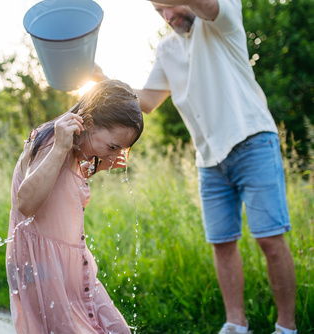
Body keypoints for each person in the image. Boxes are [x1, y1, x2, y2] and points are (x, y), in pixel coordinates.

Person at [94, 0, 297, 333]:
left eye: (170, 7)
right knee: (222, 243)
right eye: (159, 12)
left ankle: (287, 327)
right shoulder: (167, 50)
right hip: (209, 159)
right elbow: (146, 101)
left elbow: (210, 6)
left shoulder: (221, 21)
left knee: (270, 239)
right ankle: (236, 324)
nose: (167, 17)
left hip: (252, 141)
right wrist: (101, 79)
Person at [5, 79, 144, 333]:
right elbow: (25, 204)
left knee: (116, 329)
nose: (114, 156)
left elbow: (59, 189)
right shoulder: (53, 141)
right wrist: (59, 148)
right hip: (43, 269)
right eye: (112, 147)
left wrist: (97, 165)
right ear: (88, 122)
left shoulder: (77, 149)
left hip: (69, 267)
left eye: (121, 150)